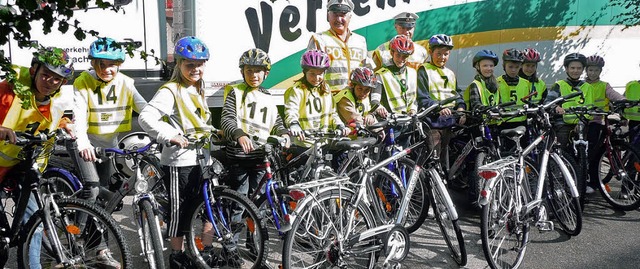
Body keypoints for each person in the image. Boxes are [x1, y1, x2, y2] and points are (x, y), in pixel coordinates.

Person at [138, 36, 214, 268]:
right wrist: (168, 136)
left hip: (202, 160)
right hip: (179, 162)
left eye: (199, 64)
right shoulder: (171, 90)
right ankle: (176, 255)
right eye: (189, 64)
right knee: (179, 212)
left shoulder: (197, 88)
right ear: (178, 64)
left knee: (207, 206)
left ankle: (206, 251)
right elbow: (145, 117)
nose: (195, 69)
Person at [0, 46, 74, 268]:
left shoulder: (55, 98)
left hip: (22, 162)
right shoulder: (8, 90)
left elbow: (45, 120)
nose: (50, 82)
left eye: (56, 79)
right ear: (33, 70)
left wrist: (65, 124)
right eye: (46, 75)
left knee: (35, 221)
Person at [220, 48, 290, 266]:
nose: (254, 75)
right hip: (240, 158)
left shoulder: (268, 97)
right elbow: (228, 119)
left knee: (258, 205)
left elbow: (276, 122)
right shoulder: (235, 92)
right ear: (243, 72)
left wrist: (284, 133)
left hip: (261, 158)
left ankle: (253, 243)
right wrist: (239, 134)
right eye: (249, 71)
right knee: (239, 203)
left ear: (266, 74)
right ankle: (230, 248)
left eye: (258, 71)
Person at [71, 37, 147, 213]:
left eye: (111, 64)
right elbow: (79, 115)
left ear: (119, 64)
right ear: (92, 62)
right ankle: (79, 234)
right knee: (92, 189)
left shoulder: (126, 83)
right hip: (86, 144)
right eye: (101, 64)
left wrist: (164, 130)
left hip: (108, 146)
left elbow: (144, 109)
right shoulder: (83, 81)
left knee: (104, 193)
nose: (106, 69)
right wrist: (83, 143)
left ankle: (100, 234)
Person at [416, 34, 465, 164]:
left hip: (448, 123)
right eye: (438, 54)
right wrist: (439, 108)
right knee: (433, 159)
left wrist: (461, 106)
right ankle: (427, 183)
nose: (442, 57)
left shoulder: (450, 73)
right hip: (432, 123)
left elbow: (457, 93)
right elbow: (422, 97)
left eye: (446, 54)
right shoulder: (424, 70)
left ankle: (444, 183)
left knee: (445, 159)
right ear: (430, 52)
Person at [284, 49, 347, 151]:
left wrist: (339, 125)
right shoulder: (296, 90)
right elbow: (291, 110)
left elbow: (333, 113)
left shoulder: (326, 89)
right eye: (312, 74)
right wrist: (294, 124)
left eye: (320, 73)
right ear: (304, 72)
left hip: (323, 142)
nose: (317, 78)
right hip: (304, 144)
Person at [307, 0, 371, 93]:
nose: (338, 19)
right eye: (335, 14)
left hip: (356, 99)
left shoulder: (360, 41)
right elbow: (310, 73)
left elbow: (369, 71)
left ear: (350, 17)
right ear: (328, 16)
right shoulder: (319, 39)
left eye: (343, 15)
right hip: (329, 99)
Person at [584, 55, 625, 193]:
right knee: (586, 153)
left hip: (597, 122)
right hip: (582, 121)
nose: (593, 73)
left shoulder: (604, 86)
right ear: (586, 70)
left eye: (596, 70)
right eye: (590, 70)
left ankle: (593, 182)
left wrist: (624, 100)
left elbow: (614, 95)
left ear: (600, 71)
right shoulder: (583, 85)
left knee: (595, 153)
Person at [372, 35, 418, 118]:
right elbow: (374, 99)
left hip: (410, 119)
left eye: (405, 56)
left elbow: (414, 98)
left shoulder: (413, 72)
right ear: (391, 53)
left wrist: (413, 109)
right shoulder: (381, 74)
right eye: (398, 55)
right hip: (390, 119)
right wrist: (379, 107)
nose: (401, 59)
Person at [497, 48, 529, 127]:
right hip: (503, 122)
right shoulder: (497, 82)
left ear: (520, 67)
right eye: (510, 67)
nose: (513, 70)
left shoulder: (525, 83)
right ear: (504, 66)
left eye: (517, 67)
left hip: (521, 122)